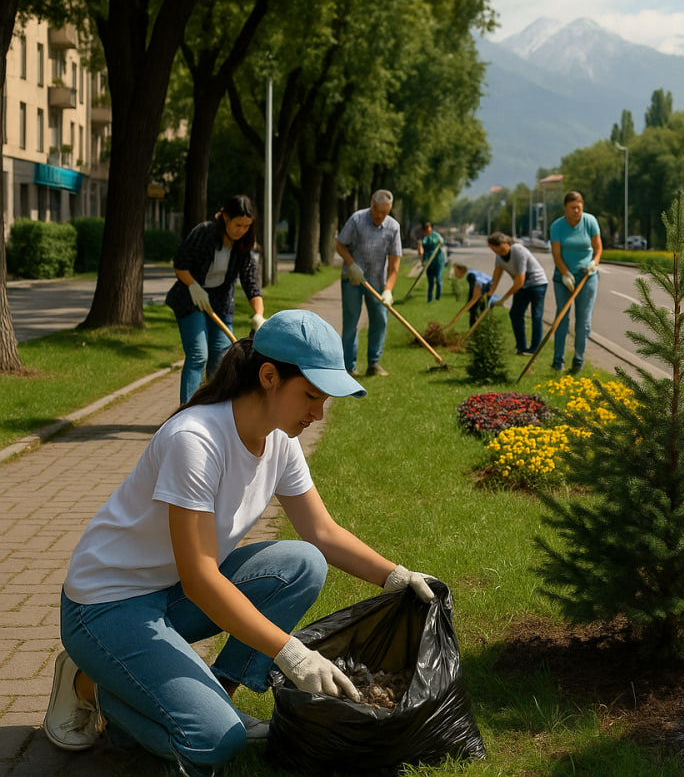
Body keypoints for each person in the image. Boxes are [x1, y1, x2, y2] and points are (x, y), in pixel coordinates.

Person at [43, 309, 438, 777]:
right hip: (106, 606)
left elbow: (323, 533)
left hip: (167, 593)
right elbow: (201, 580)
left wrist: (398, 577)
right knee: (213, 740)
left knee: (303, 562)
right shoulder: (196, 441)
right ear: (268, 376)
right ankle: (93, 685)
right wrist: (290, 651)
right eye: (311, 396)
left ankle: (209, 693)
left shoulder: (280, 441)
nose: (318, 413)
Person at [165, 195, 267, 404]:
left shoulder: (243, 245)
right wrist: (193, 286)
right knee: (198, 354)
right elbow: (180, 263)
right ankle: (186, 411)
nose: (242, 230)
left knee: (220, 361)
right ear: (225, 218)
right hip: (190, 298)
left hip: (220, 304)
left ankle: (211, 409)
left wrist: (258, 314)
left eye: (247, 226)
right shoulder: (204, 233)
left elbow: (251, 283)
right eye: (238, 224)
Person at [335, 189, 401, 377]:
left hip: (377, 283)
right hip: (353, 279)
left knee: (380, 320)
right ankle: (348, 366)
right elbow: (340, 245)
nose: (380, 216)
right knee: (350, 323)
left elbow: (395, 264)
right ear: (371, 206)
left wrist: (388, 290)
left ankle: (374, 363)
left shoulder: (393, 227)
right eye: (377, 211)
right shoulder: (357, 220)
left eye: (385, 213)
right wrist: (352, 265)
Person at [548, 191, 602, 373]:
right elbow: (556, 254)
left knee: (583, 320)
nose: (576, 211)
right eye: (573, 208)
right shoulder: (557, 226)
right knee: (562, 317)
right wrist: (565, 274)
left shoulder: (590, 221)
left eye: (579, 207)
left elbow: (598, 247)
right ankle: (558, 360)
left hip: (587, 276)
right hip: (563, 277)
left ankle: (578, 359)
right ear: (565, 208)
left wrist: (594, 263)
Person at [486, 232, 548, 355]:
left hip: (537, 284)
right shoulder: (499, 256)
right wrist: (490, 293)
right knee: (515, 314)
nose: (493, 250)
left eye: (495, 247)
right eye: (491, 248)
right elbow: (497, 274)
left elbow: (519, 281)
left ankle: (534, 349)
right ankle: (521, 347)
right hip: (522, 285)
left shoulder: (518, 250)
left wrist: (504, 299)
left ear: (504, 244)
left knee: (536, 315)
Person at [451, 263, 492, 327]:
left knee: (475, 311)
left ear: (461, 270)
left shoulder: (471, 276)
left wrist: (461, 312)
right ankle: (478, 329)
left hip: (487, 288)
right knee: (478, 310)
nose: (455, 274)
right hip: (487, 287)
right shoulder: (471, 272)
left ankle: (476, 331)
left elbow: (474, 295)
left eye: (456, 271)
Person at [417, 221, 447, 302]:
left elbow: (442, 242)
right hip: (429, 262)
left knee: (438, 279)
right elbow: (421, 251)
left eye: (430, 230)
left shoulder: (436, 236)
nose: (429, 232)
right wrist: (420, 249)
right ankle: (429, 299)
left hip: (438, 260)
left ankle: (437, 298)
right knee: (430, 281)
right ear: (424, 231)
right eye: (427, 230)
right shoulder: (423, 239)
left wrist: (441, 243)